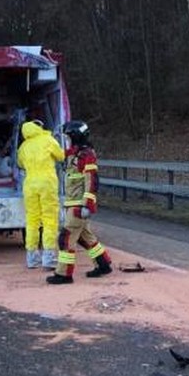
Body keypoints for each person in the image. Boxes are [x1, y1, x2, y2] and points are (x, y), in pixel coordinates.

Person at [46, 120, 113, 284]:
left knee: (65, 238)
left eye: (69, 138)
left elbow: (92, 181)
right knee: (85, 238)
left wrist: (87, 205)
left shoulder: (86, 155)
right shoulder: (74, 154)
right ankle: (103, 264)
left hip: (78, 206)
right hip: (73, 204)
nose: (67, 141)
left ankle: (64, 274)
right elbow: (64, 155)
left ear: (76, 138)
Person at [16, 120, 64, 269]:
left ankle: (31, 257)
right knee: (49, 219)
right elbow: (61, 156)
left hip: (30, 184)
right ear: (40, 127)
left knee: (32, 220)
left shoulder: (23, 147)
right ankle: (48, 257)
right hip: (47, 184)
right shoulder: (48, 140)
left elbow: (20, 164)